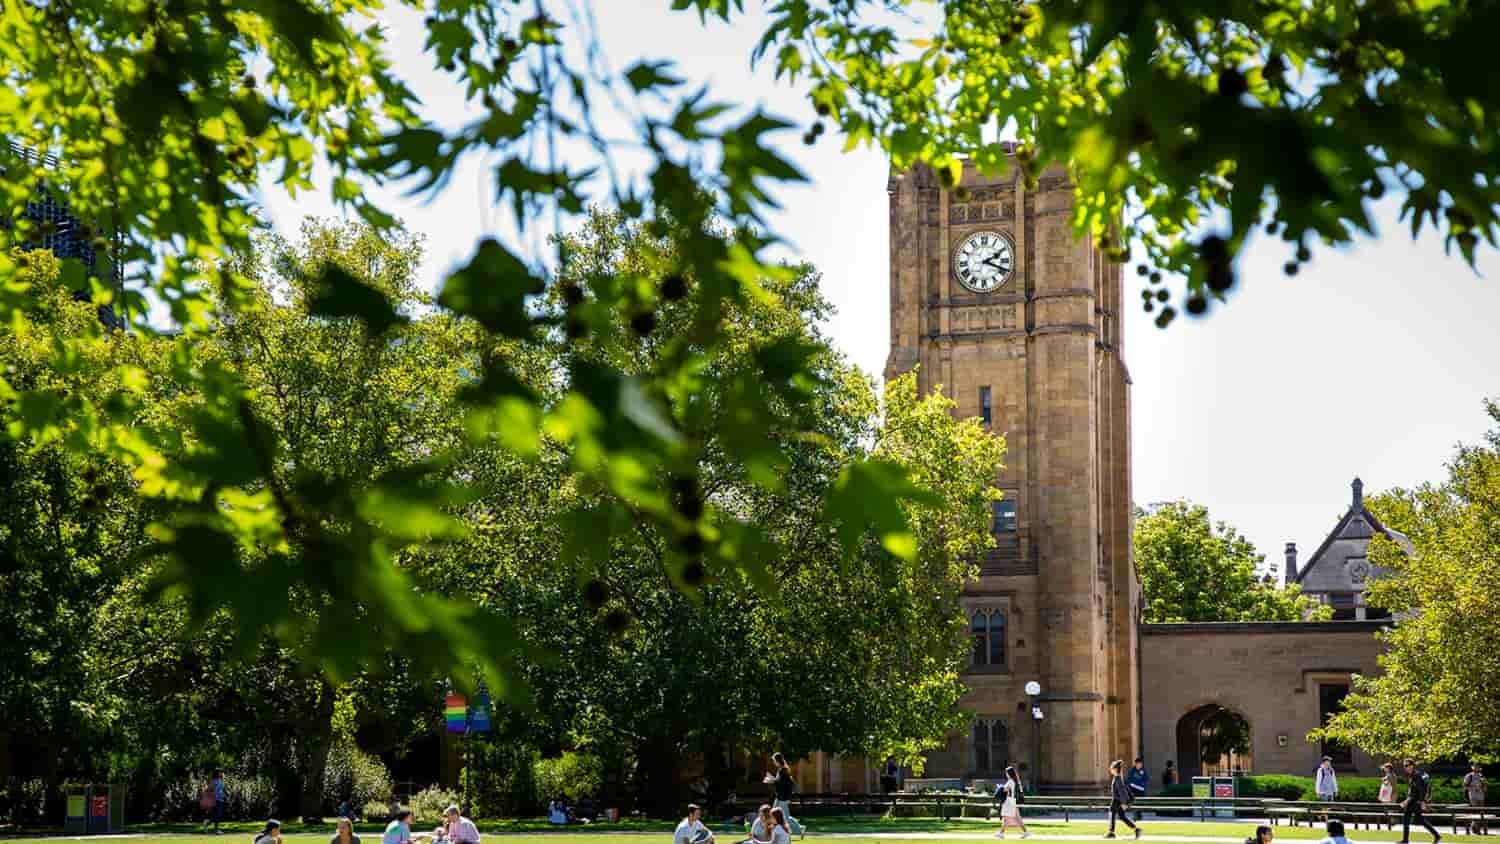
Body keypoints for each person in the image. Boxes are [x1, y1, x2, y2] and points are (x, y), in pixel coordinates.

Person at [1399, 758, 1441, 844]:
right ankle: (1405, 840)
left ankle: (1405, 840)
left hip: (1416, 801)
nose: (1405, 767)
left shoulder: (1416, 776)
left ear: (1412, 766)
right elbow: (1413, 790)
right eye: (1404, 766)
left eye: (1407, 765)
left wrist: (1422, 802)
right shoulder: (1412, 775)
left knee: (1413, 819)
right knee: (1414, 819)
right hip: (1413, 800)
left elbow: (1420, 790)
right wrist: (1407, 800)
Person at [769, 753, 803, 837]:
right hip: (781, 796)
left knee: (784, 816)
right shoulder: (782, 769)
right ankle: (773, 832)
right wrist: (773, 780)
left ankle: (799, 829)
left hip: (783, 797)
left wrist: (772, 781)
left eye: (774, 761)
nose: (774, 762)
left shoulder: (783, 770)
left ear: (777, 761)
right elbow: (780, 782)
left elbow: (782, 784)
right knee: (774, 813)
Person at [1105, 759, 1141, 840]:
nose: (1110, 769)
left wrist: (1125, 803)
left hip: (1117, 800)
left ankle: (1111, 832)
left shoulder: (1118, 779)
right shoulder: (1118, 778)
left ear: (1115, 769)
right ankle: (1136, 829)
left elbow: (1122, 792)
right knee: (1121, 816)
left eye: (1111, 768)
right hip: (1119, 800)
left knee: (1112, 813)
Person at [992, 765, 1030, 839]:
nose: (1006, 775)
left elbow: (1004, 790)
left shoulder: (1010, 781)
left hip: (1009, 801)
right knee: (1017, 818)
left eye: (1006, 773)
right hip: (1013, 801)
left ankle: (1001, 833)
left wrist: (999, 787)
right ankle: (1026, 832)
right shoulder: (1015, 781)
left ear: (1009, 773)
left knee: (1006, 818)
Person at [1464, 763, 1487, 835]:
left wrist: (1483, 787)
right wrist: (1473, 788)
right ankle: (1476, 830)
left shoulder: (1481, 776)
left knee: (1481, 813)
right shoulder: (1469, 776)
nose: (1477, 768)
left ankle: (1475, 828)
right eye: (1476, 766)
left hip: (1481, 796)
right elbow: (1465, 786)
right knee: (1475, 812)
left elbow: (1485, 787)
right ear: (1472, 767)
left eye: (1478, 767)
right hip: (1473, 796)